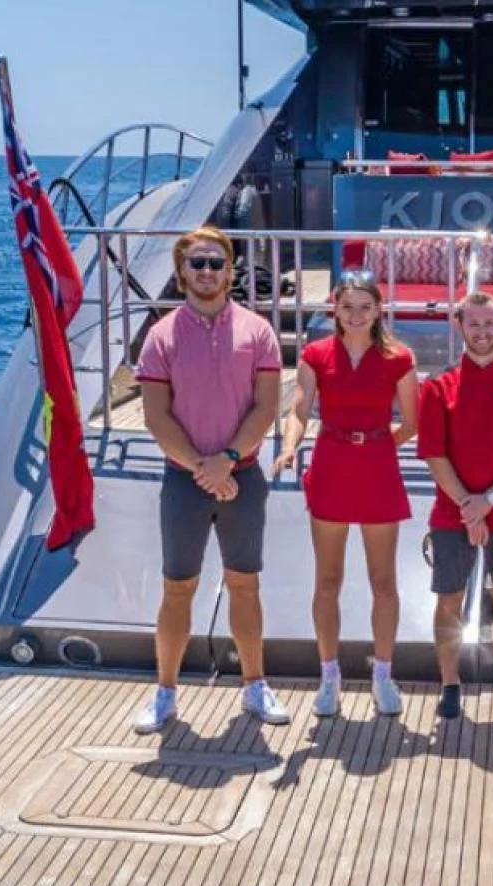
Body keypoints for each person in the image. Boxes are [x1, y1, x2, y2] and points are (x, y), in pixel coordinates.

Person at [131, 226, 289, 734]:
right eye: (196, 263)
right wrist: (206, 470)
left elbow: (265, 407)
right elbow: (157, 417)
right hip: (185, 482)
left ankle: (255, 685)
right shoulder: (161, 337)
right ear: (181, 272)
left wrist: (228, 459)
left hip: (243, 476)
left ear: (229, 270)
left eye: (215, 262)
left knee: (245, 584)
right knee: (178, 587)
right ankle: (165, 692)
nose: (206, 271)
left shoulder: (258, 332)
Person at [276, 272, 419, 718]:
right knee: (327, 580)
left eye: (365, 307)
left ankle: (383, 675)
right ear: (334, 309)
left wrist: (375, 445)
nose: (356, 315)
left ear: (378, 311)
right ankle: (329, 675)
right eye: (347, 306)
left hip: (376, 470)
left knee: (383, 581)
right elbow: (299, 409)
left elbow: (411, 422)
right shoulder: (316, 354)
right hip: (331, 466)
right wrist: (289, 446)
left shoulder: (399, 358)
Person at [418, 292, 493, 719]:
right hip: (451, 513)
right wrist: (467, 507)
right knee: (448, 598)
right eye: (474, 324)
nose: (482, 332)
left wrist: (487, 502)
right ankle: (450, 684)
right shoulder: (438, 387)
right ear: (459, 326)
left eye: (489, 323)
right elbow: (435, 455)